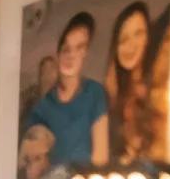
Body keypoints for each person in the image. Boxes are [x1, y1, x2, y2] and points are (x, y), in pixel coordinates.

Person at [26, 11, 109, 166]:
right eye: (66, 48)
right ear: (58, 51)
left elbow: (101, 156)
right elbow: (32, 161)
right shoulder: (43, 106)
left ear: (86, 53)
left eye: (79, 47)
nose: (71, 55)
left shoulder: (94, 93)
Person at [104, 0, 170, 163]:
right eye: (123, 39)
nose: (131, 45)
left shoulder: (159, 90)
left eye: (138, 33)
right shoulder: (111, 100)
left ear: (148, 37)